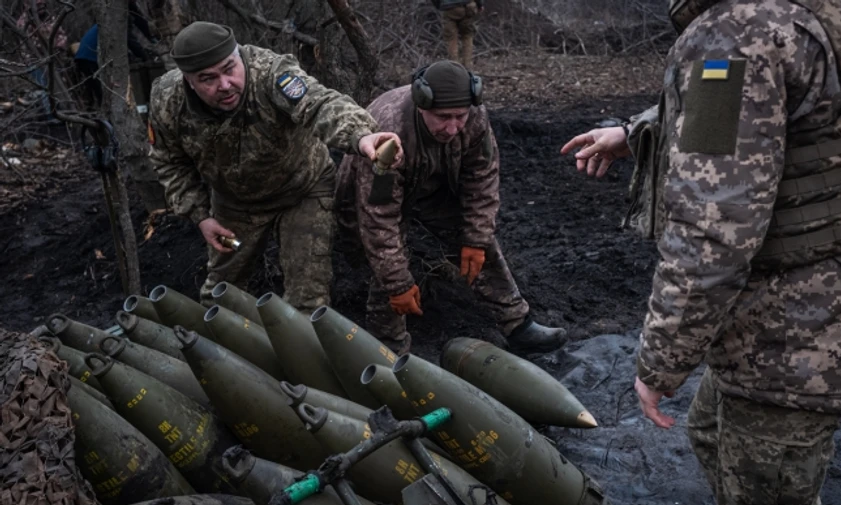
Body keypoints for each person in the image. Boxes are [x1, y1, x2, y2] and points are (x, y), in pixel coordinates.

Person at [561, 0, 841, 503]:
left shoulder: (736, 32)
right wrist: (637, 131)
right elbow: (786, 109)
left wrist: (660, 364)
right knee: (710, 433)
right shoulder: (837, 11)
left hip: (786, 336)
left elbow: (711, 232)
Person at [148, 22, 402, 310]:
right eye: (208, 78)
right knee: (220, 293)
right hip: (235, 204)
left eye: (230, 68)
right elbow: (168, 161)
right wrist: (200, 216)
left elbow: (319, 104)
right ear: (188, 80)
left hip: (303, 191)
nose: (225, 84)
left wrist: (362, 135)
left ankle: (302, 351)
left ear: (239, 57)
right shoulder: (168, 100)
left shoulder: (270, 73)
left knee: (307, 297)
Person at [337, 60, 567, 356]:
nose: (453, 127)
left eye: (459, 117)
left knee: (480, 244)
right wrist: (398, 283)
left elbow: (482, 178)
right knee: (386, 260)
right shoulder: (388, 131)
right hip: (370, 192)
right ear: (422, 106)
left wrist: (476, 239)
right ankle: (389, 349)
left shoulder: (473, 116)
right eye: (443, 117)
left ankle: (517, 325)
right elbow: (380, 219)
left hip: (431, 183)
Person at [74, 2, 160, 108]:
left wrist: (150, 39)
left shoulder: (107, 22)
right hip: (89, 57)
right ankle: (107, 115)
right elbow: (130, 42)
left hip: (83, 57)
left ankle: (100, 112)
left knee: (97, 90)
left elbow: (138, 22)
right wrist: (145, 57)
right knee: (102, 91)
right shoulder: (117, 23)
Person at [432, 0, 483, 69]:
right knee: (467, 36)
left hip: (449, 8)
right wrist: (480, 4)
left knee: (451, 39)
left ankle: (455, 67)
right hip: (468, 6)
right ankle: (467, 66)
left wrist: (439, 5)